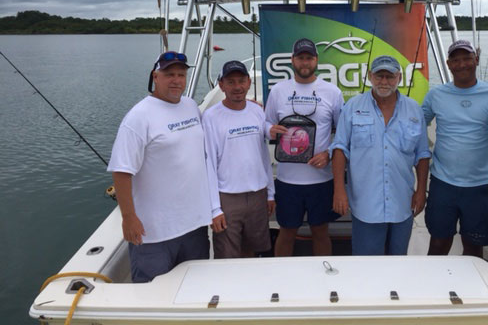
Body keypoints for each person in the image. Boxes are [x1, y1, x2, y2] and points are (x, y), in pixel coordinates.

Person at [107, 51, 213, 283]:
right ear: (155, 77)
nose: (176, 80)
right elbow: (122, 171)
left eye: (181, 74)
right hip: (154, 232)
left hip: (194, 225)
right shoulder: (138, 117)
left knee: (195, 287)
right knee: (151, 294)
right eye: (169, 74)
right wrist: (129, 218)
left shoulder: (190, 105)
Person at [331, 55, 431, 255]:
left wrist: (421, 191)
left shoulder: (414, 109)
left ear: (399, 78)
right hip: (366, 204)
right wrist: (339, 190)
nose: (384, 82)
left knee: (398, 259)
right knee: (366, 263)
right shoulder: (352, 106)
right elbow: (340, 149)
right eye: (379, 76)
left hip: (402, 202)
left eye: (389, 76)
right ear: (370, 76)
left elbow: (422, 155)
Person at [421, 40, 488, 257]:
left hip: (479, 187)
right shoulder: (436, 95)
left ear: (476, 59)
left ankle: (471, 290)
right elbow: (416, 124)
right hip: (442, 184)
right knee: (438, 243)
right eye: (456, 60)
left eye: (467, 58)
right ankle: (433, 288)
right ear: (448, 64)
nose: (462, 64)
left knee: (474, 247)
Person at [265, 38, 344, 256]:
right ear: (292, 60)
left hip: (321, 179)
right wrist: (270, 130)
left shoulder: (332, 92)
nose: (305, 62)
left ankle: (323, 280)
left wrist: (328, 154)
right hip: (287, 180)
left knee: (320, 231)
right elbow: (266, 123)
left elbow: (344, 134)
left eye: (309, 58)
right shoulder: (278, 90)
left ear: (316, 60)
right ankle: (282, 278)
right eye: (300, 58)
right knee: (287, 231)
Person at [202, 60, 275, 258]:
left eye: (241, 81)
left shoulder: (257, 111)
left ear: (249, 82)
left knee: (252, 251)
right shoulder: (210, 117)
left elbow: (262, 155)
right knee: (227, 255)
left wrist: (270, 193)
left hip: (258, 194)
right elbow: (208, 164)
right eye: (231, 82)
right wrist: (214, 208)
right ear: (221, 85)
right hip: (227, 197)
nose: (237, 87)